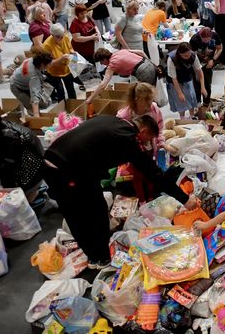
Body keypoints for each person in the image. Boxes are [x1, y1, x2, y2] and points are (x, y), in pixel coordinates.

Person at [43, 114, 197, 267]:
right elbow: (154, 174)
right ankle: (101, 258)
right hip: (69, 171)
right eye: (148, 140)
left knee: (74, 213)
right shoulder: (128, 139)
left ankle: (93, 256)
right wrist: (184, 199)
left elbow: (94, 149)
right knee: (94, 211)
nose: (148, 144)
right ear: (142, 131)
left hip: (50, 161)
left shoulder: (114, 121)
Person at [0, 110, 46, 205]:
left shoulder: (9, 137)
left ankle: (28, 197)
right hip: (37, 174)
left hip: (29, 181)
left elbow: (8, 167)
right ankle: (31, 193)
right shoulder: (8, 125)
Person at [88, 48, 157, 101]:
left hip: (143, 72)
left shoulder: (112, 64)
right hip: (149, 64)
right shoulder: (120, 51)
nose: (102, 64)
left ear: (104, 59)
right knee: (149, 93)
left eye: (101, 62)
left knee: (143, 97)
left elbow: (103, 85)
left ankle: (147, 115)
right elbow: (141, 52)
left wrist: (90, 99)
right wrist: (149, 63)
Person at [117, 82, 165, 154]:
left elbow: (159, 128)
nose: (150, 104)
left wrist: (161, 143)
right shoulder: (124, 116)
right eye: (146, 100)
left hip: (152, 148)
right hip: (134, 151)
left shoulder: (154, 109)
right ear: (136, 100)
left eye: (151, 100)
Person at [166, 42, 206, 118]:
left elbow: (199, 71)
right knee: (180, 101)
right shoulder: (172, 59)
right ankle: (182, 118)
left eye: (189, 54)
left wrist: (202, 87)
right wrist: (180, 93)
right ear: (180, 54)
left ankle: (192, 116)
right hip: (174, 81)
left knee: (191, 98)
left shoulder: (193, 55)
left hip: (187, 77)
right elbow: (174, 78)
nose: (188, 57)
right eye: (185, 56)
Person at [10, 51, 53, 116]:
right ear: (42, 65)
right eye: (48, 64)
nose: (50, 65)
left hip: (23, 79)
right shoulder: (33, 76)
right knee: (33, 109)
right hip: (17, 87)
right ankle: (32, 120)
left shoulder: (33, 59)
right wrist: (36, 115)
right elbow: (34, 97)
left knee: (46, 102)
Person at [42, 24, 77, 101]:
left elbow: (70, 48)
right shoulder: (47, 45)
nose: (61, 38)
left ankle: (74, 105)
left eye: (62, 36)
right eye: (58, 37)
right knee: (60, 91)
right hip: (54, 72)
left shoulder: (66, 37)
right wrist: (61, 59)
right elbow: (48, 63)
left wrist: (72, 52)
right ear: (52, 35)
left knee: (71, 89)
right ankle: (62, 109)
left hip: (66, 68)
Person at [189, 27, 222, 106]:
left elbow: (220, 48)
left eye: (208, 39)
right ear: (200, 36)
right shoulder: (194, 39)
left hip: (208, 64)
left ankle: (206, 103)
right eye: (204, 39)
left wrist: (213, 60)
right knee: (197, 85)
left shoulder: (215, 35)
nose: (206, 41)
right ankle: (197, 104)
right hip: (196, 64)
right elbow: (192, 55)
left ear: (211, 36)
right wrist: (198, 68)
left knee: (207, 84)